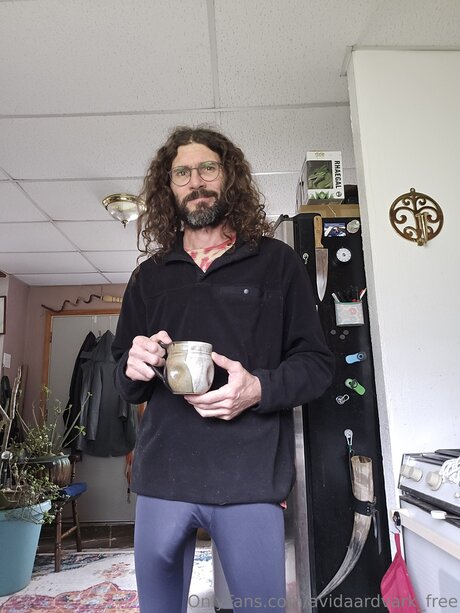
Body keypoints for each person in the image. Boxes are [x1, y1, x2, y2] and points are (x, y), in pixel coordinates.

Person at [112, 126, 334, 613]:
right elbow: (125, 385)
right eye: (182, 173)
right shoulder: (148, 277)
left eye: (207, 168)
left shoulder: (276, 263)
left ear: (229, 175)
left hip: (249, 476)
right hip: (163, 476)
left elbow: (317, 365)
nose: (196, 181)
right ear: (169, 188)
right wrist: (133, 364)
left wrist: (257, 389)